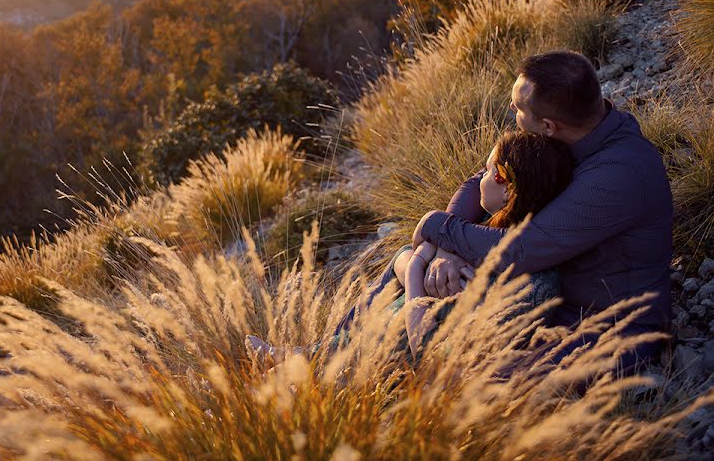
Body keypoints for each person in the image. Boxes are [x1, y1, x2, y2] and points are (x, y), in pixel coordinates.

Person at [412, 50, 673, 374]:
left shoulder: (618, 173)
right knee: (420, 276)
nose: (511, 110)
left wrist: (436, 225)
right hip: (545, 297)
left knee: (470, 378)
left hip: (602, 326)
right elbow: (482, 178)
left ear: (549, 125)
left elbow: (522, 249)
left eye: (518, 108)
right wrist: (447, 250)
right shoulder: (568, 133)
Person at [246, 130, 575, 363]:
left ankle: (314, 363)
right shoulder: (485, 234)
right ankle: (318, 352)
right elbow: (409, 253)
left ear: (506, 189)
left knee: (399, 301)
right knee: (402, 269)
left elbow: (425, 341)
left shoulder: (511, 266)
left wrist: (416, 282)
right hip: (415, 324)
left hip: (417, 351)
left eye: (488, 172)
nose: (480, 178)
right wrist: (418, 264)